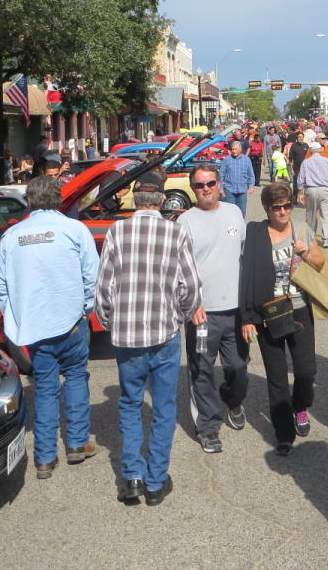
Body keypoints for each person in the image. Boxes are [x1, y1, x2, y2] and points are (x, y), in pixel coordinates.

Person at [96, 176, 201, 506]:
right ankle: (156, 481)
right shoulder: (175, 232)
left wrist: (112, 323)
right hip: (163, 333)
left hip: (127, 337)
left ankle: (132, 478)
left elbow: (103, 290)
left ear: (135, 198)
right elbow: (191, 287)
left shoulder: (117, 231)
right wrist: (180, 315)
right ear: (159, 200)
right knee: (164, 406)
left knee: (129, 403)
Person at [0, 175, 99, 479]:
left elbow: (0, 286)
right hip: (71, 321)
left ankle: (45, 458)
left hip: (36, 326)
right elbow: (92, 275)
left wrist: (16, 315)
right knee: (77, 376)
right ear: (59, 199)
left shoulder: (13, 236)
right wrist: (84, 309)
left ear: (30, 200)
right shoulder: (74, 229)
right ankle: (77, 444)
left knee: (46, 387)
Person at [239, 182, 325, 456]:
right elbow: (247, 279)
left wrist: (305, 253)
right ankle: (283, 433)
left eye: (287, 206)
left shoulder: (301, 229)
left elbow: (320, 263)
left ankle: (300, 406)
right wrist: (247, 318)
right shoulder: (255, 235)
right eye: (278, 207)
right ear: (267, 209)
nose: (284, 212)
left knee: (305, 370)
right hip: (268, 312)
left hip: (299, 309)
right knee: (276, 376)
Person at [179, 163, 249, 455]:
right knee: (203, 371)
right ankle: (208, 427)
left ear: (220, 184)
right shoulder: (184, 221)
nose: (205, 189)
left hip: (236, 311)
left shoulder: (234, 212)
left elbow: (246, 256)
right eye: (199, 185)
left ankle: (233, 400)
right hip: (203, 313)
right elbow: (179, 269)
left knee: (238, 366)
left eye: (210, 183)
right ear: (193, 189)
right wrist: (191, 303)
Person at [295, 141, 328, 248]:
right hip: (325, 189)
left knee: (311, 214)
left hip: (311, 190)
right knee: (326, 215)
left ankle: (310, 237)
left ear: (310, 151)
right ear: (320, 150)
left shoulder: (306, 162)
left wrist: (300, 191)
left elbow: (301, 178)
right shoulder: (327, 161)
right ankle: (326, 239)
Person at [218, 140, 256, 217]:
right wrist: (221, 188)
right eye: (232, 149)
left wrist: (251, 186)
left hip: (242, 191)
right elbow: (221, 174)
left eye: (235, 149)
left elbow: (251, 175)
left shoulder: (247, 160)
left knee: (242, 212)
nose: (233, 151)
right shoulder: (227, 159)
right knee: (230, 212)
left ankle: (241, 228)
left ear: (240, 149)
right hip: (229, 190)